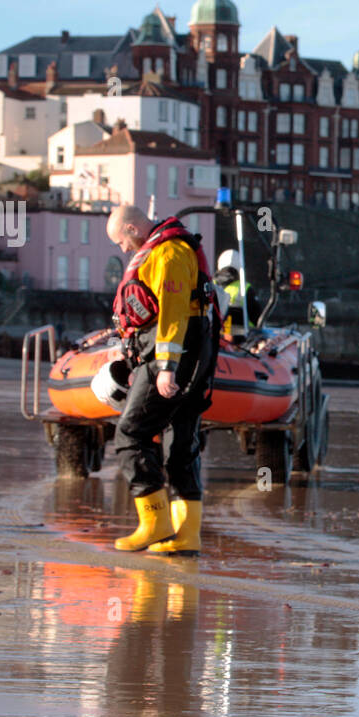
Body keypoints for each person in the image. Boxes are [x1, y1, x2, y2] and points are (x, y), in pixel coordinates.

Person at [106, 204, 218, 553]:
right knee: (180, 444)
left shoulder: (168, 253)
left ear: (132, 228)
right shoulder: (166, 249)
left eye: (121, 241)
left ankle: (155, 523)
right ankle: (186, 536)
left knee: (130, 434)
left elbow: (172, 313)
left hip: (171, 356)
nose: (123, 250)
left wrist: (167, 366)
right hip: (193, 353)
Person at [213, 248, 263, 340]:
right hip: (238, 343)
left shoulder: (211, 285)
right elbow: (258, 319)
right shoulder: (245, 289)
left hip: (213, 339)